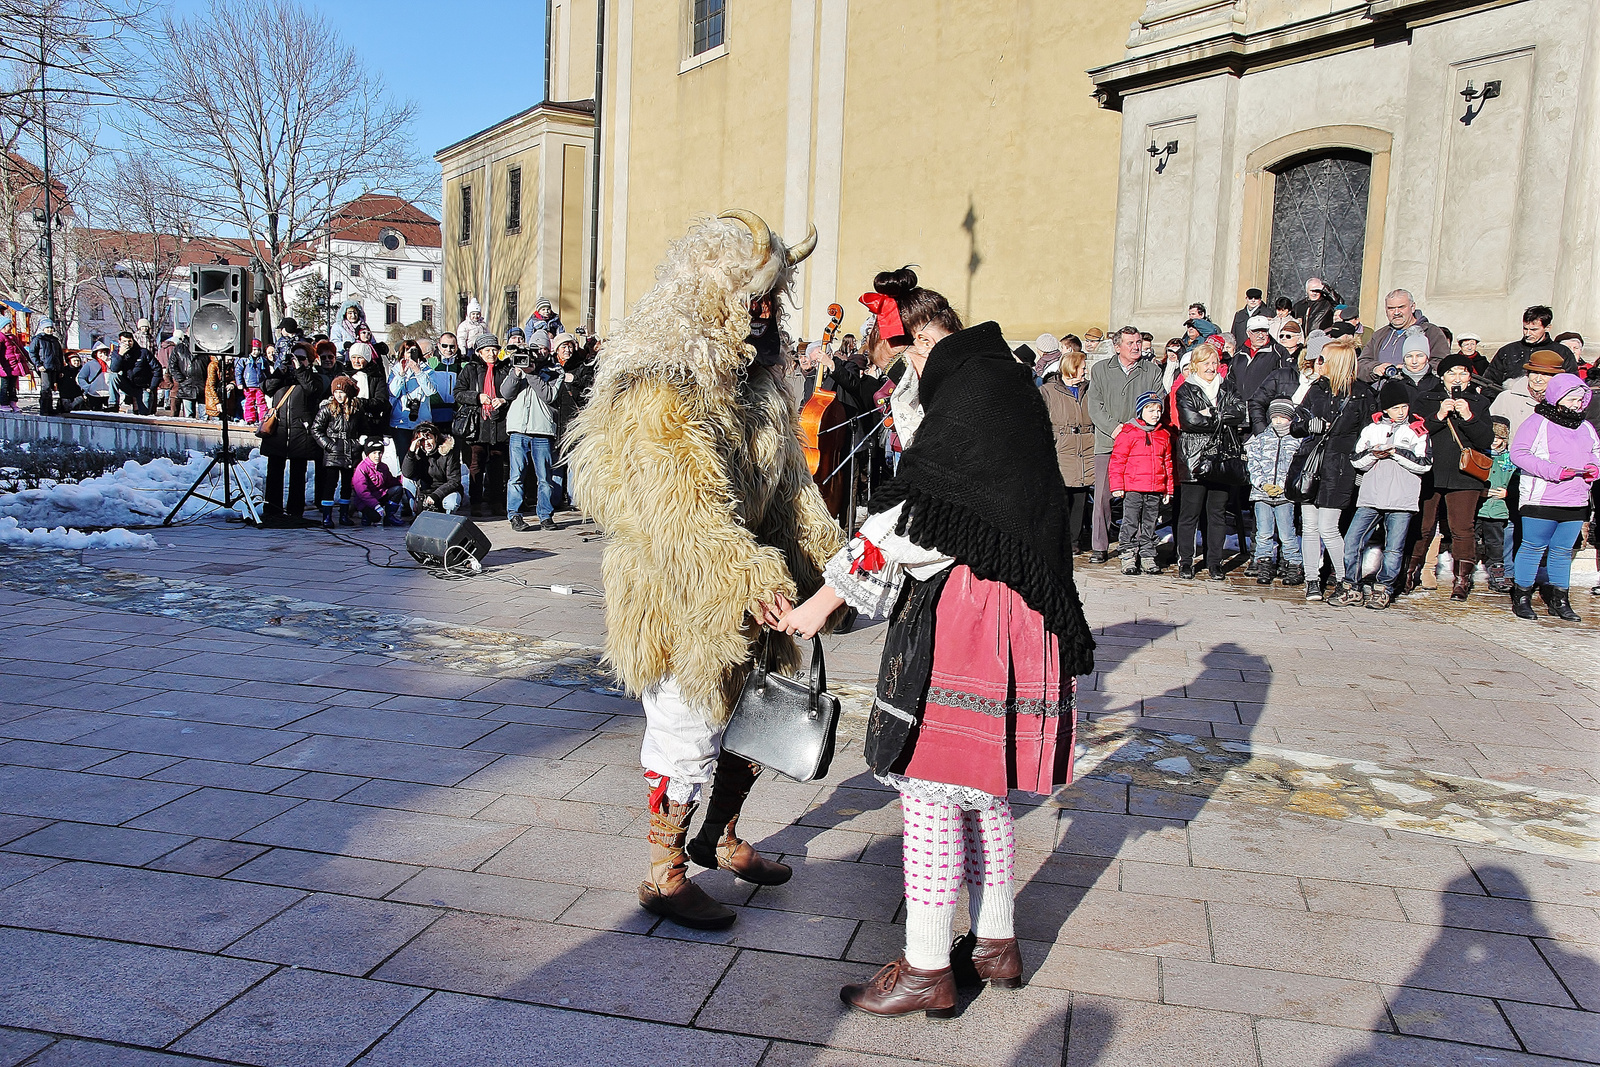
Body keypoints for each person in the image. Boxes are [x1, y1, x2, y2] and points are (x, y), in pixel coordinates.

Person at [773, 280, 1093, 1020]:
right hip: (1016, 606)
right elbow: (936, 479)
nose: (900, 375)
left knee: (930, 788)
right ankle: (993, 942)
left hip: (976, 607)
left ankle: (925, 966)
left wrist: (825, 599)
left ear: (919, 339)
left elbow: (916, 516)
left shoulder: (973, 384)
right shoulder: (992, 373)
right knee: (982, 788)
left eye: (900, 358)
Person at [564, 211, 839, 932]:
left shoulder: (754, 388)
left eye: (774, 299)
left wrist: (827, 565)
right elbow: (683, 506)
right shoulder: (661, 387)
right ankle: (664, 871)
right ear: (714, 297)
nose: (770, 312)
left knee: (755, 718)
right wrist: (750, 578)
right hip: (679, 590)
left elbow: (790, 488)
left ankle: (719, 836)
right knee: (686, 729)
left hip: (746, 586)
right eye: (758, 298)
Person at [1330, 380, 1432, 610]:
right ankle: (1351, 587)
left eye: (1404, 407)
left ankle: (1383, 588)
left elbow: (1424, 464)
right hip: (1371, 495)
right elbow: (1357, 461)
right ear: (1385, 409)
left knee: (1394, 548)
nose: (1401, 412)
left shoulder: (1417, 430)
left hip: (1401, 498)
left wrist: (1396, 452)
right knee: (1353, 541)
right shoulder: (1371, 428)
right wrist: (1374, 454)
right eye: (1396, 408)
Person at [1507, 374, 1598, 621]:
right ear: (1558, 397)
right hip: (1542, 497)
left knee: (1562, 550)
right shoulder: (1537, 422)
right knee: (1533, 546)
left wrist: (1594, 467)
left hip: (1576, 498)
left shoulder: (1586, 426)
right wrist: (1553, 471)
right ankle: (1522, 596)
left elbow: (1595, 452)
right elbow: (1519, 453)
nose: (1577, 404)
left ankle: (1560, 600)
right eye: (1572, 398)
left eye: (1581, 399)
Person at [1291, 337, 1372, 602]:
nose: (1318, 363)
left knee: (1329, 527)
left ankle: (1344, 580)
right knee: (1310, 526)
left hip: (1340, 465)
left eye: (1323, 359)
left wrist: (1361, 468)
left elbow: (1368, 434)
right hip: (1312, 463)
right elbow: (1295, 424)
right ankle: (1312, 579)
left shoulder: (1361, 394)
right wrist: (1308, 425)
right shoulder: (1317, 389)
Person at [1407, 354, 1492, 599]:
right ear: (1442, 376)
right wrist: (1438, 416)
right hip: (1430, 471)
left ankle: (1462, 581)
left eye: (1463, 373)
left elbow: (1486, 440)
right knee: (1422, 526)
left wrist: (1468, 417)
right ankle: (1410, 573)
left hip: (1464, 474)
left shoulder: (1480, 402)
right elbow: (1416, 432)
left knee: (1462, 528)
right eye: (1452, 373)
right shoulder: (1427, 399)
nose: (1458, 378)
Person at [1086, 326, 1164, 563]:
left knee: (1139, 498)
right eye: (1130, 343)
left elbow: (1157, 402)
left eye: (1138, 342)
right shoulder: (1100, 369)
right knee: (1102, 497)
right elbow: (1094, 406)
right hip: (1108, 443)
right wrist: (1115, 428)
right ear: (1117, 346)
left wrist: (1133, 430)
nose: (1136, 347)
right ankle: (1099, 546)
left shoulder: (1151, 370)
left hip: (1141, 445)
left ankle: (1139, 545)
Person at [1173, 345, 1247, 580]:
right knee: (1190, 513)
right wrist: (1220, 416)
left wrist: (1211, 414)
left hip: (1222, 456)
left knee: (1216, 513)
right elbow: (1191, 421)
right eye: (1205, 363)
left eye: (1214, 362)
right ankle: (1185, 561)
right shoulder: (1186, 390)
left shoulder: (1226, 386)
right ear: (1195, 365)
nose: (1211, 367)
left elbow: (1239, 412)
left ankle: (1214, 562)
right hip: (1195, 456)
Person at [259, 348, 327, 526]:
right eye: (294, 358)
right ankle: (272, 509)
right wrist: (280, 370)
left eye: (302, 358)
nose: (296, 360)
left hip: (300, 432)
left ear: (309, 361)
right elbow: (266, 387)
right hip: (278, 430)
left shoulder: (313, 377)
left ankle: (295, 511)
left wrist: (300, 369)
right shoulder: (282, 377)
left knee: (298, 473)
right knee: (274, 471)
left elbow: (313, 390)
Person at [1039, 343, 1096, 555]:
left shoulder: (1091, 390)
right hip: (1061, 450)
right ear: (1072, 367)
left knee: (1080, 499)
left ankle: (1074, 540)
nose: (1085, 370)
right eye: (1082, 367)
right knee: (1060, 499)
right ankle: (1056, 539)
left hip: (1085, 449)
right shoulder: (1048, 391)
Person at [1108, 391, 1173, 575]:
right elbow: (1118, 460)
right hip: (1133, 487)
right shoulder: (1128, 432)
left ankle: (1147, 555)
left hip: (1155, 488)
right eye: (1150, 410)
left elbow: (1167, 463)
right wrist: (1117, 486)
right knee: (1130, 522)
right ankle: (1128, 554)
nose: (1155, 414)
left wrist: (1168, 489)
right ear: (1140, 411)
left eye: (1158, 410)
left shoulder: (1163, 435)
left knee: (1150, 523)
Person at [453, 333, 515, 518]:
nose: (492, 353)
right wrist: (477, 397)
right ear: (479, 352)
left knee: (497, 466)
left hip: (499, 423)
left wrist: (503, 400)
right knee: (476, 465)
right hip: (477, 424)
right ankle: (476, 503)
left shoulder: (504, 369)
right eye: (487, 350)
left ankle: (496, 502)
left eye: (495, 350)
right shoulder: (470, 369)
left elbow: (513, 391)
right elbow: (458, 393)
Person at [1246, 399, 1305, 586]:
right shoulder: (1262, 438)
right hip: (1262, 494)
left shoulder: (1297, 440)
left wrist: (1283, 485)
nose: (1278, 421)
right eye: (1275, 417)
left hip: (1285, 495)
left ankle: (1293, 564)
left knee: (1287, 533)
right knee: (1263, 532)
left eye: (1283, 417)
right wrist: (1262, 484)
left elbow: (1297, 467)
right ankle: (1263, 563)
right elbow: (1253, 463)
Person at [504, 343, 559, 531]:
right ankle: (515, 515)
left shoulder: (554, 369)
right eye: (534, 349)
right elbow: (505, 393)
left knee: (544, 478)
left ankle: (545, 516)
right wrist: (516, 373)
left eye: (543, 348)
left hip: (542, 430)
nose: (538, 353)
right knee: (516, 476)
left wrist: (531, 373)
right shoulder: (516, 369)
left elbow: (549, 395)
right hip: (518, 429)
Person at [1359, 289, 1449, 379]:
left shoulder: (1431, 332)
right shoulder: (1379, 335)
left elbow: (1443, 364)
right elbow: (1361, 363)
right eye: (1391, 308)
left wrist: (1413, 370)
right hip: (1381, 391)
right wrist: (1375, 368)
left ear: (1412, 307)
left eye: (1401, 307)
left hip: (1416, 390)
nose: (1396, 313)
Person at [312, 375, 364, 526]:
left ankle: (344, 515)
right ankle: (327, 516)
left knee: (347, 485)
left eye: (342, 392)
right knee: (330, 483)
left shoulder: (356, 410)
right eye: (336, 392)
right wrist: (328, 445)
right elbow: (316, 429)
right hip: (333, 452)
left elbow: (363, 428)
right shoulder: (327, 409)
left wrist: (360, 442)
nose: (339, 396)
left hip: (350, 451)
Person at [1486, 305, 1575, 387]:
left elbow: (1570, 384)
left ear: (1547, 328)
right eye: (1525, 328)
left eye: (1534, 329)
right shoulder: (1507, 351)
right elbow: (1489, 382)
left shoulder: (1562, 352)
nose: (1528, 334)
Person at [1476, 416, 1515, 594]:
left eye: (1498, 438)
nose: (1494, 441)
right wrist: (1481, 491)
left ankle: (1497, 574)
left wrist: (1508, 493)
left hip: (1499, 510)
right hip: (1479, 506)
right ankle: (1466, 572)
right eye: (1492, 437)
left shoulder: (1511, 460)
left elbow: (1516, 482)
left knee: (1495, 544)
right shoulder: (1479, 455)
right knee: (1471, 539)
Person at [1491, 347, 1565, 438]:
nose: (1538, 379)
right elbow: (1491, 431)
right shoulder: (1506, 398)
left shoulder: (1564, 402)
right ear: (1527, 374)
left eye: (1545, 374)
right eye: (1534, 373)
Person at [386, 342, 439, 461]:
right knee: (404, 458)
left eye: (414, 351)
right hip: (400, 421)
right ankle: (405, 479)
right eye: (407, 351)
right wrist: (401, 374)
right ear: (402, 354)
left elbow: (431, 391)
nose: (411, 354)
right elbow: (393, 392)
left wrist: (418, 372)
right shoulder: (395, 370)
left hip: (421, 421)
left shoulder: (427, 370)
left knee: (423, 458)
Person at [1234, 316, 1289, 429]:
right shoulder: (1239, 353)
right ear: (1248, 332)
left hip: (1265, 414)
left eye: (1264, 331)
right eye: (1256, 331)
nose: (1260, 335)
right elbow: (1230, 380)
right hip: (1241, 413)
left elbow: (1286, 382)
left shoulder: (1278, 352)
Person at [401, 424, 463, 514]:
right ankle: (416, 511)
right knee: (406, 480)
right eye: (422, 440)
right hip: (424, 491)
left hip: (445, 491)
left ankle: (447, 517)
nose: (426, 443)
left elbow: (454, 481)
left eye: (429, 438)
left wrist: (436, 495)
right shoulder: (418, 452)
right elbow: (407, 473)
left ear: (436, 438)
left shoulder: (449, 452)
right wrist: (411, 452)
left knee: (451, 503)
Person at [352, 439, 405, 526]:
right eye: (374, 453)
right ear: (368, 454)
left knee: (397, 489)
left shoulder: (383, 466)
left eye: (380, 453)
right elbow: (362, 492)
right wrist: (376, 506)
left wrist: (402, 479)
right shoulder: (362, 468)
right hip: (365, 500)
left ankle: (389, 516)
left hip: (380, 495)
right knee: (375, 518)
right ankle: (366, 515)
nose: (377, 456)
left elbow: (390, 481)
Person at [24, 318, 62, 415]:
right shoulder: (38, 339)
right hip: (44, 367)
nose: (49, 330)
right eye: (47, 328)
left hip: (54, 366)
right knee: (46, 387)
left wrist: (60, 368)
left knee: (51, 388)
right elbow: (32, 353)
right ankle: (44, 409)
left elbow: (59, 355)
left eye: (51, 328)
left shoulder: (55, 340)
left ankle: (49, 408)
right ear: (43, 328)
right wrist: (38, 364)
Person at [168, 333, 209, 420]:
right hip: (186, 386)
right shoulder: (179, 348)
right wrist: (180, 378)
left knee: (204, 416)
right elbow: (172, 365)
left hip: (203, 386)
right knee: (189, 417)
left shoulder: (206, 346)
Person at [428, 333, 461, 432]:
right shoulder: (429, 363)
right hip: (433, 411)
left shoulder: (462, 365)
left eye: (452, 346)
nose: (448, 349)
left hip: (454, 413)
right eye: (444, 346)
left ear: (456, 347)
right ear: (438, 345)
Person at [0, 316, 30, 412]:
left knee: (13, 386)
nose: (11, 327)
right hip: (5, 365)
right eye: (9, 325)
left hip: (15, 365)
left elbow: (21, 349)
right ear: (4, 327)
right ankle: (3, 403)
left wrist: (29, 358)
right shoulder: (1, 337)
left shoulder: (13, 338)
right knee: (4, 385)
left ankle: (13, 402)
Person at [75, 345, 110, 411]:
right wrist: (87, 387)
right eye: (100, 353)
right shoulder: (89, 364)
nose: (103, 355)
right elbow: (81, 377)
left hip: (108, 393)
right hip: (94, 394)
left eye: (105, 353)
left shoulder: (110, 364)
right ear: (95, 354)